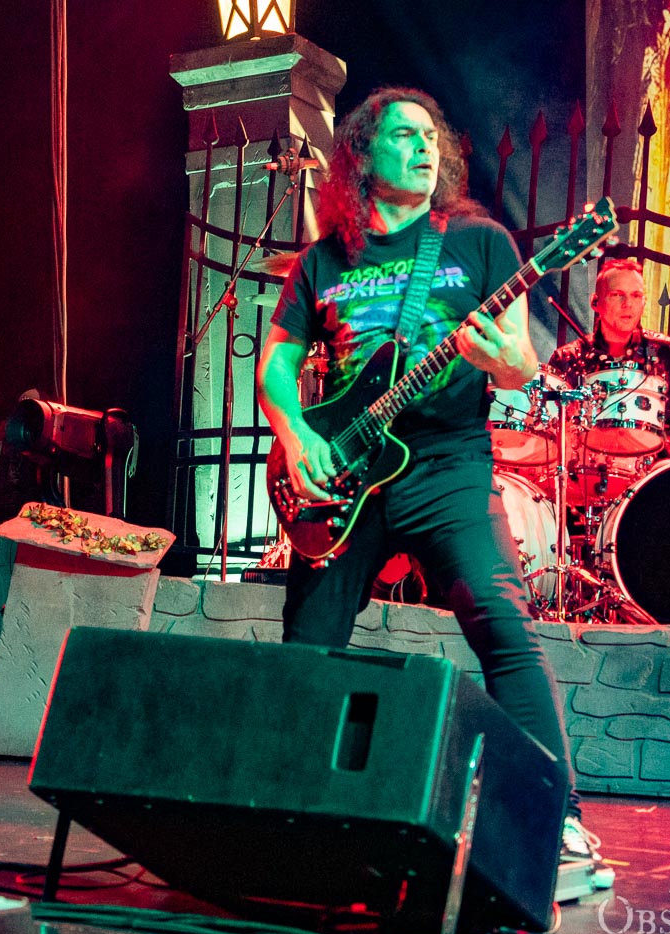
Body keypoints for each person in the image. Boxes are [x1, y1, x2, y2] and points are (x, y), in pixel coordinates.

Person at [255, 87, 610, 883]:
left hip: (448, 465)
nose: (426, 148)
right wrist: (298, 436)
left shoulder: (479, 243)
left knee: (502, 622)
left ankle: (559, 822)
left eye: (432, 137)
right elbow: (277, 366)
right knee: (306, 645)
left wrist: (501, 362)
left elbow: (519, 363)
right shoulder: (323, 261)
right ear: (360, 155)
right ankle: (294, 816)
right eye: (405, 136)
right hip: (344, 480)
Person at [556, 256, 670, 447]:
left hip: (653, 459)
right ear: (595, 302)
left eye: (636, 295)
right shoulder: (568, 358)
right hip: (585, 459)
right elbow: (550, 425)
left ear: (644, 303)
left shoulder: (666, 352)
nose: (627, 303)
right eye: (616, 294)